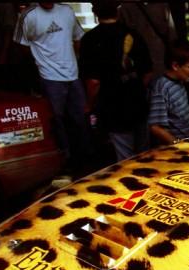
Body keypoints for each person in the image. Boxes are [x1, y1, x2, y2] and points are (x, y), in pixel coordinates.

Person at [14, 2, 92, 175]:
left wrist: (77, 62)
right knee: (56, 119)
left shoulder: (67, 11)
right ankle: (65, 159)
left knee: (80, 117)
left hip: (72, 73)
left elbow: (78, 37)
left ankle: (85, 158)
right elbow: (21, 45)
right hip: (48, 75)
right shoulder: (29, 15)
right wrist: (39, 63)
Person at [80, 0, 152, 162]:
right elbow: (148, 72)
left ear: (95, 12)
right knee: (144, 155)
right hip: (138, 104)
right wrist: (137, 89)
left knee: (126, 160)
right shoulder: (134, 34)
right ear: (117, 11)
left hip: (113, 109)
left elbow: (93, 82)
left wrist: (89, 105)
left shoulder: (90, 40)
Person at [147, 41, 189, 147]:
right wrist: (177, 144)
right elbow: (155, 127)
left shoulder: (180, 82)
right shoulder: (161, 88)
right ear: (175, 65)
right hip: (173, 149)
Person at [117, 1, 178, 78]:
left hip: (141, 60)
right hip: (155, 58)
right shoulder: (162, 5)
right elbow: (172, 35)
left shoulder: (125, 8)